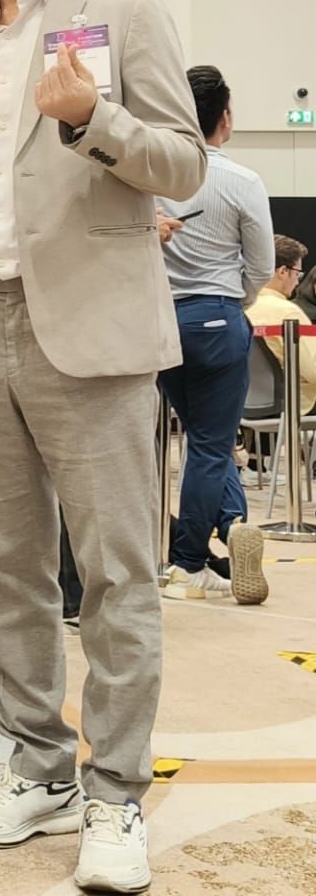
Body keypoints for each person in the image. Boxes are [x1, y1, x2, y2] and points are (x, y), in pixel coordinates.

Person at [0, 0, 206, 894]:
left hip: (93, 332)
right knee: (6, 571)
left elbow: (181, 163)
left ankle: (115, 791)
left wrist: (94, 118)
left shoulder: (124, 12)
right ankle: (38, 766)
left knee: (117, 572)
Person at [155, 65, 273, 606]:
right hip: (218, 317)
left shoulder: (152, 177)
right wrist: (236, 300)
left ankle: (231, 525)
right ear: (225, 118)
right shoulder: (242, 180)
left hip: (161, 322)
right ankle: (188, 564)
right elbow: (262, 265)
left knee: (205, 436)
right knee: (210, 443)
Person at [246, 236, 316, 417]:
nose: (298, 282)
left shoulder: (240, 307)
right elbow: (314, 371)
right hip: (295, 406)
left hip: (245, 406)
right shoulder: (288, 312)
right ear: (283, 271)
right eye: (297, 274)